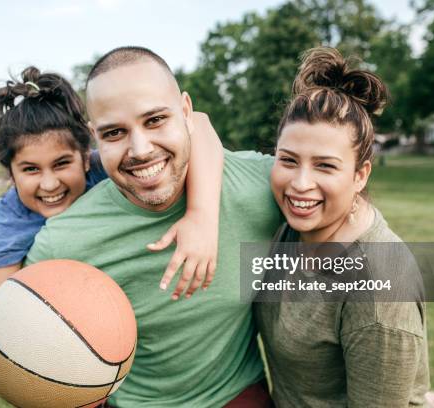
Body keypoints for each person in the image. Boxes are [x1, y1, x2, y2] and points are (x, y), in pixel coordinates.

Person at [25, 46, 281, 407]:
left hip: (235, 394)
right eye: (114, 133)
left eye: (156, 120)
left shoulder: (262, 186)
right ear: (93, 135)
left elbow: (360, 240)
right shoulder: (64, 241)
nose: (141, 149)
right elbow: (17, 346)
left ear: (187, 111)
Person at [0, 65, 226, 394]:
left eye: (62, 163)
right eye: (30, 169)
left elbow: (201, 123)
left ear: (85, 156)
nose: (49, 183)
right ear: (10, 172)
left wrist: (202, 217)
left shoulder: (111, 167)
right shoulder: (8, 225)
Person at [254, 47, 430, 407]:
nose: (300, 184)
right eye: (288, 160)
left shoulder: (380, 290)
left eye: (325, 166)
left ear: (360, 174)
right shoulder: (290, 224)